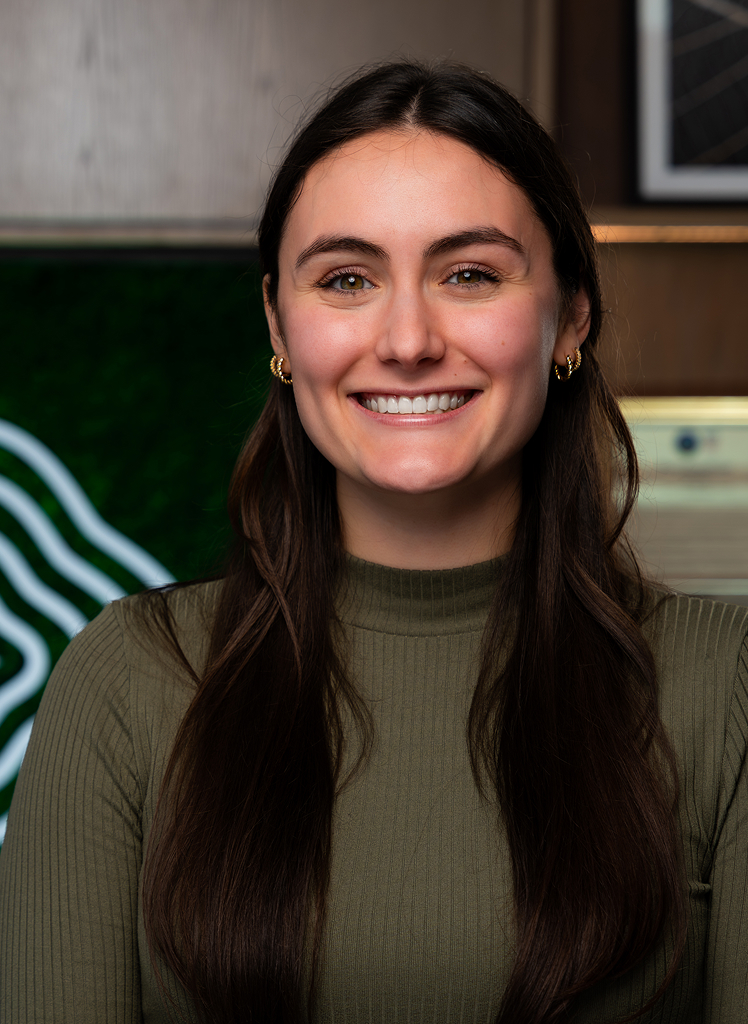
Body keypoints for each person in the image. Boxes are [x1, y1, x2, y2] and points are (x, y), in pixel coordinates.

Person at [1, 60, 747, 1024]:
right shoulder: (129, 682)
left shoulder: (726, 689)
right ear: (278, 321)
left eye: (470, 274)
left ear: (572, 316)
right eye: (347, 279)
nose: (406, 339)